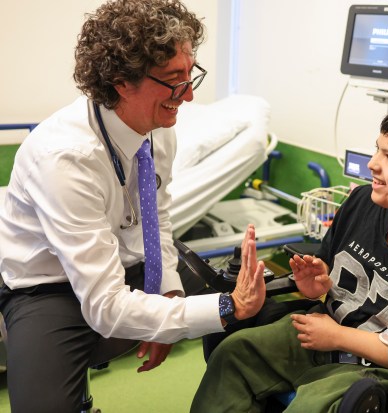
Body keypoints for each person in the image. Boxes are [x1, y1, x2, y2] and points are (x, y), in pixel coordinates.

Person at [0, 1, 265, 411]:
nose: (190, 94)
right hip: (47, 288)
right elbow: (105, 307)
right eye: (175, 80)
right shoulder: (66, 158)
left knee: (255, 308)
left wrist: (170, 299)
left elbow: (156, 215)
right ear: (122, 82)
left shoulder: (158, 128)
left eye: (190, 73)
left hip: (128, 265)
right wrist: (227, 307)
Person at [190, 103, 388, 412]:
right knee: (233, 354)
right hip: (325, 332)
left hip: (384, 367)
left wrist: (338, 337)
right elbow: (327, 277)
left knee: (312, 407)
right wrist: (316, 285)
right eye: (378, 150)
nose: (373, 164)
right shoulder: (362, 202)